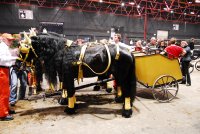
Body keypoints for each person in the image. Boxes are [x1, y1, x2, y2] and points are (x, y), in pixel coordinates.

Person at [0, 33, 18, 121]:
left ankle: (6, 110)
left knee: (6, 92)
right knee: (3, 93)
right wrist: (14, 58)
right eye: (9, 39)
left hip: (5, 70)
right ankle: (3, 114)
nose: (11, 41)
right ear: (3, 39)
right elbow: (2, 59)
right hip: (2, 70)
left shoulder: (5, 46)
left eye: (11, 40)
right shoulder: (2, 47)